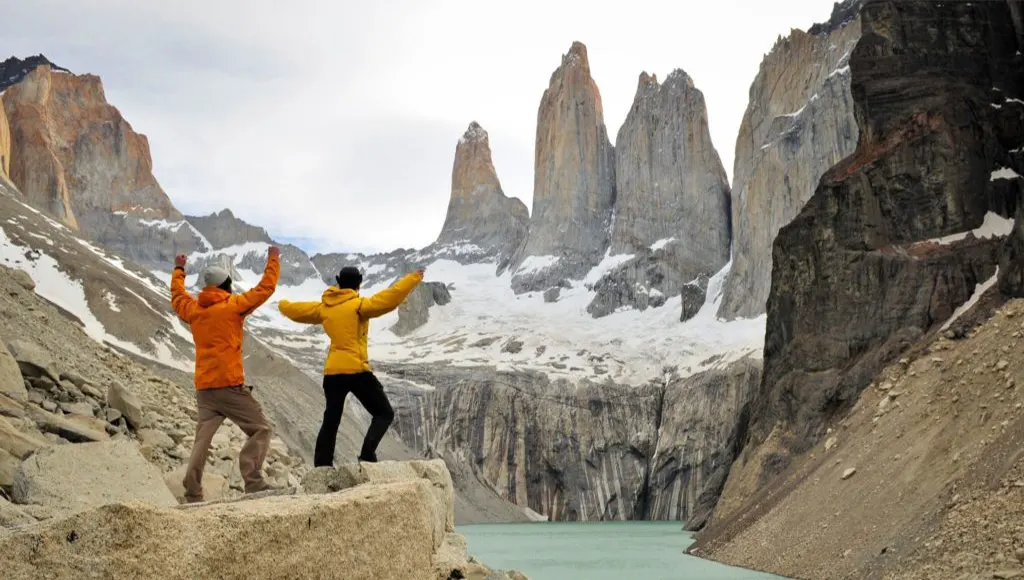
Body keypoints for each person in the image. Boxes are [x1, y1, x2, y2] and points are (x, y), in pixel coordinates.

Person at [279, 266, 423, 466]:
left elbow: (298, 311)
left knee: (331, 420)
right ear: (360, 283)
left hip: (332, 373)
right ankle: (366, 456)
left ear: (338, 281)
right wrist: (413, 278)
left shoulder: (325, 307)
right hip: (357, 371)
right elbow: (391, 298)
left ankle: (322, 465)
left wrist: (283, 305)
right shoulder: (360, 305)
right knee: (384, 413)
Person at [170, 246, 281, 502]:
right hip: (229, 386)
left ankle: (192, 489)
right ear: (225, 285)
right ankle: (253, 480)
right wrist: (273, 260)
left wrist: (178, 270)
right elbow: (265, 289)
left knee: (202, 440)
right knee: (261, 428)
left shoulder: (195, 309)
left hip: (205, 388)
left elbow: (177, 297)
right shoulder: (233, 306)